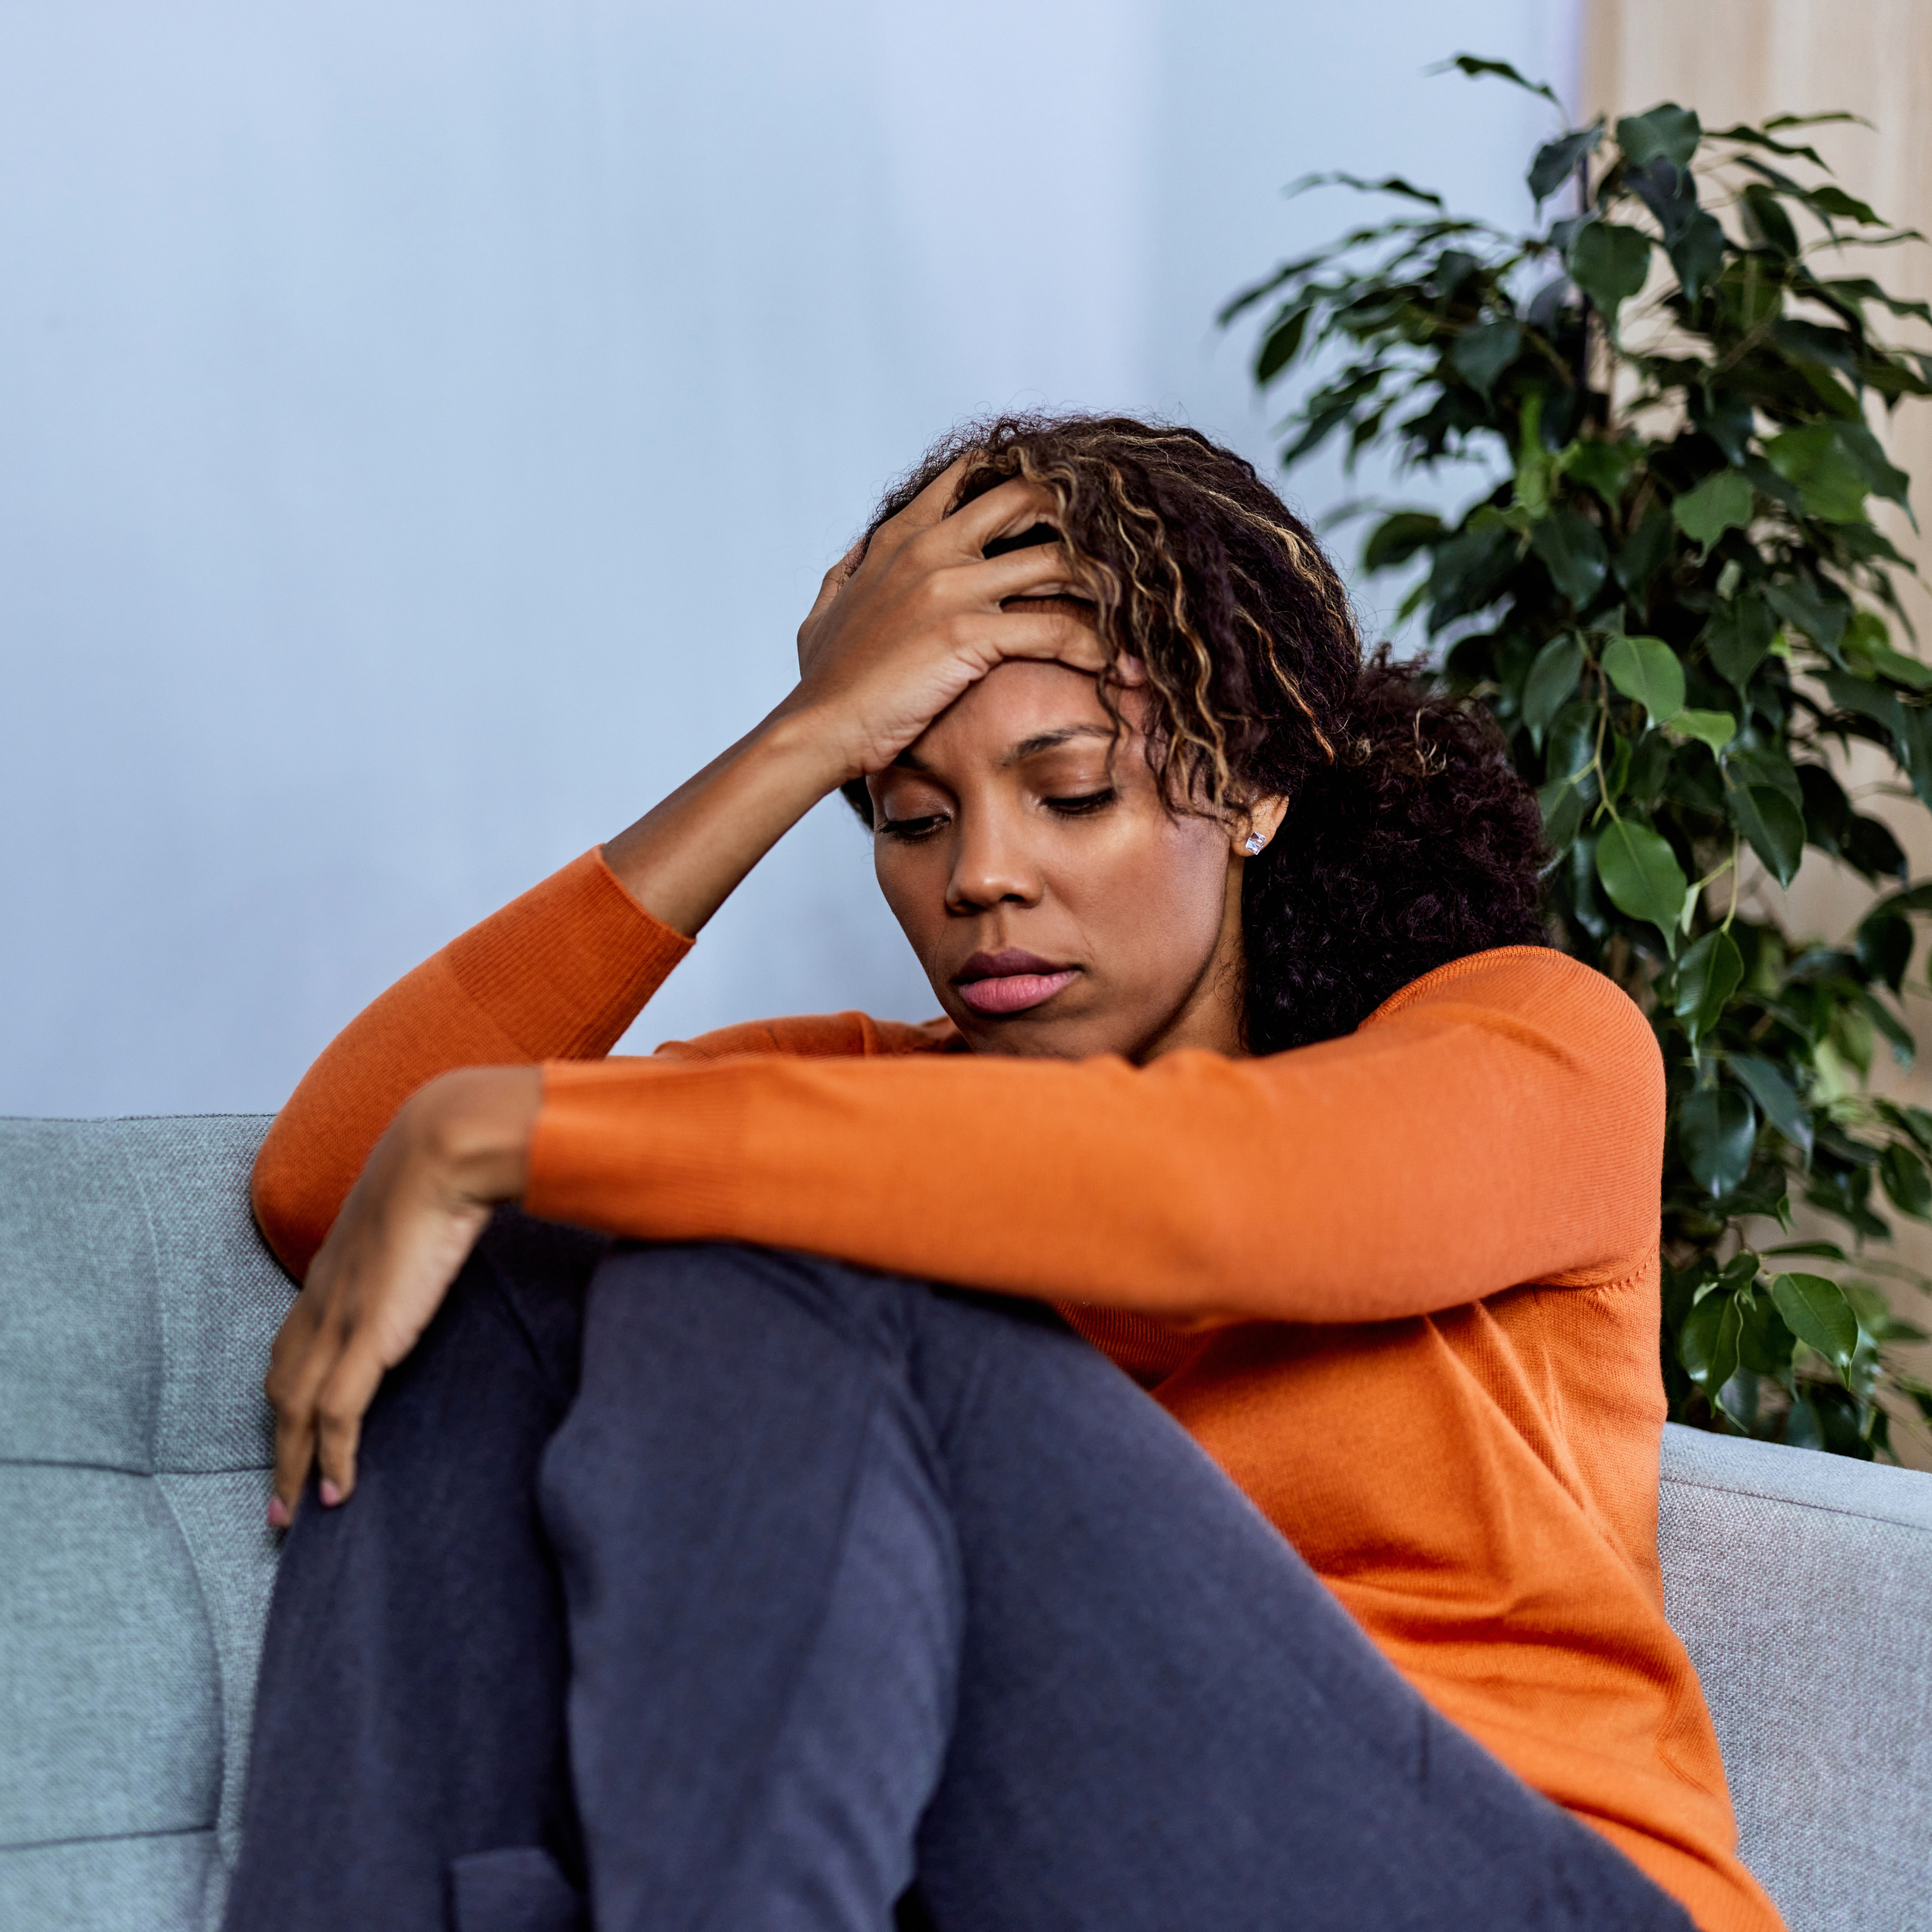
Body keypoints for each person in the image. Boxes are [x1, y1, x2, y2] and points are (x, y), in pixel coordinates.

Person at [223, 416, 1781, 1932]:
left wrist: (498, 1127)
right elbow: (328, 1190)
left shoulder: (1523, 1042)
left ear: (1250, 785)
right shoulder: (865, 1107)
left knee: (746, 1237)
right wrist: (797, 738)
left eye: (1071, 790)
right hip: (1033, 1871)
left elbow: (1208, 1201)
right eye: (907, 814)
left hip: (1520, 1884)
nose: (978, 874)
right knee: (509, 1274)